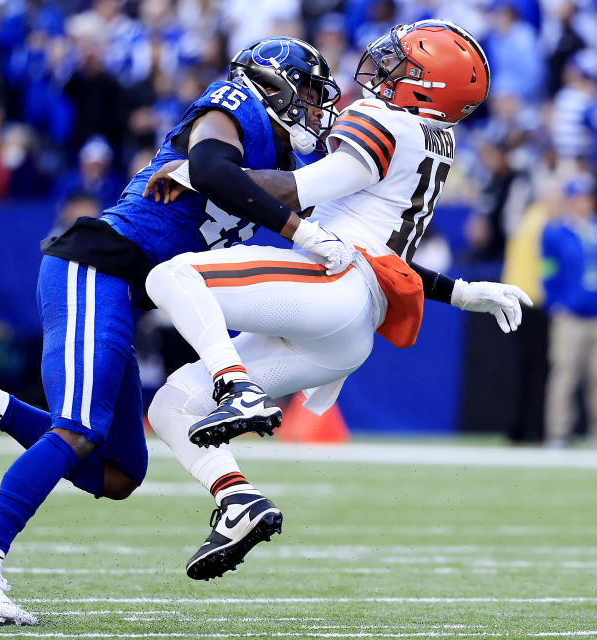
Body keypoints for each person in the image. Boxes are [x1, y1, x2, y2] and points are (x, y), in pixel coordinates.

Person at [0, 37, 346, 625]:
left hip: (118, 290)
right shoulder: (234, 105)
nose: (316, 107)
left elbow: (271, 194)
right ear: (274, 83)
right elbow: (213, 166)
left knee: (118, 473)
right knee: (79, 431)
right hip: (94, 266)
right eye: (309, 92)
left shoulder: (282, 165)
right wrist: (293, 225)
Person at [139, 20, 529, 577]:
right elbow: (383, 250)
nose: (384, 64)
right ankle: (238, 501)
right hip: (346, 332)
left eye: (404, 64)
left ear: (428, 86)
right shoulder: (434, 141)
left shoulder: (384, 119)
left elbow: (297, 190)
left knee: (173, 278)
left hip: (334, 285)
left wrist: (199, 173)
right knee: (171, 405)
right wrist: (463, 294)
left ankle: (239, 390)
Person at [541, 177, 597, 448]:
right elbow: (548, 272)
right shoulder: (556, 232)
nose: (583, 203)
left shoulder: (594, 229)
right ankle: (558, 433)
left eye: (586, 197)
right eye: (578, 197)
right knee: (565, 374)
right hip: (571, 315)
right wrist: (556, 304)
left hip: (595, 313)